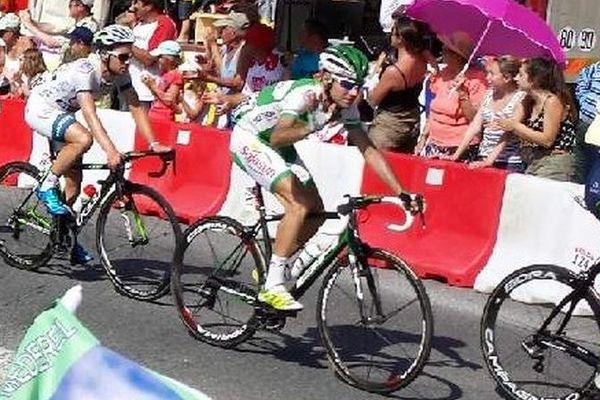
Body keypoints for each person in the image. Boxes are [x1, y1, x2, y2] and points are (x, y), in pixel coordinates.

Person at [230, 45, 422, 311]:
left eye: (358, 85)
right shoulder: (306, 95)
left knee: (316, 212)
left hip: (276, 144)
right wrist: (314, 122)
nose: (353, 92)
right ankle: (272, 286)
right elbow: (278, 136)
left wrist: (401, 191)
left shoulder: (344, 106)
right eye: (346, 84)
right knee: (298, 206)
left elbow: (368, 149)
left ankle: (277, 266)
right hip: (251, 138)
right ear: (327, 78)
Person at [24, 24, 171, 263]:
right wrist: (110, 150)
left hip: (62, 111)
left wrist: (154, 143)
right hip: (42, 108)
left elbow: (135, 106)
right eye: (123, 57)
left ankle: (65, 237)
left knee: (74, 183)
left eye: (129, 56)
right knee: (83, 138)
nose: (127, 62)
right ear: (105, 54)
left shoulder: (120, 73)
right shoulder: (86, 70)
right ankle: (46, 184)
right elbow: (91, 116)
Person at [497, 57, 578, 182]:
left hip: (554, 163)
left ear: (534, 79)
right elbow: (511, 124)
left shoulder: (552, 101)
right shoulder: (527, 101)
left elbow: (547, 139)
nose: (516, 78)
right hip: (533, 161)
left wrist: (516, 127)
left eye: (521, 74)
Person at [415, 31, 487, 160]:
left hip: (460, 146)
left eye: (446, 50)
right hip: (434, 143)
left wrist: (462, 94)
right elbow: (433, 112)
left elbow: (475, 119)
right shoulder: (443, 74)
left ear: (458, 56)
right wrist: (423, 138)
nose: (442, 52)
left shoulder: (477, 79)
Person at [447, 56, 525, 171]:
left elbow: (508, 134)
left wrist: (490, 160)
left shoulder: (521, 98)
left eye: (492, 74)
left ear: (507, 78)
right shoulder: (489, 95)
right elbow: (475, 126)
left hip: (509, 161)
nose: (487, 77)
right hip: (484, 155)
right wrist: (456, 154)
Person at [366, 15, 431, 153]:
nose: (390, 36)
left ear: (400, 38)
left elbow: (373, 99)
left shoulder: (393, 72)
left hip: (389, 124)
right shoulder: (422, 61)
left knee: (377, 164)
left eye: (393, 32)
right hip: (412, 119)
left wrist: (369, 86)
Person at [129, 0, 177, 109]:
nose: (133, 7)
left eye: (137, 2)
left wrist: (125, 44)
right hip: (129, 88)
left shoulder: (164, 23)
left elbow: (149, 59)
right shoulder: (139, 23)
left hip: (145, 92)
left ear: (149, 6)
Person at [144, 40, 183, 121]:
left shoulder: (176, 75)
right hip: (154, 114)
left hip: (164, 117)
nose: (157, 60)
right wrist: (150, 85)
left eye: (160, 57)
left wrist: (154, 87)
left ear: (169, 59)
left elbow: (169, 100)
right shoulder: (164, 74)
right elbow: (158, 96)